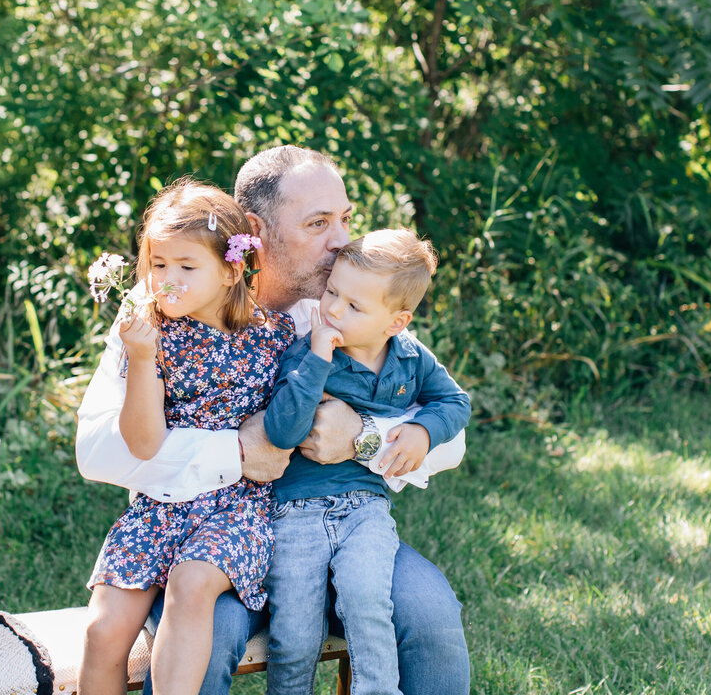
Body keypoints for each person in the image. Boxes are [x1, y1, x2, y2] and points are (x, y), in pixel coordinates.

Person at [76, 145, 470, 695]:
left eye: (345, 219)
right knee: (210, 629)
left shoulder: (344, 300)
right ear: (255, 232)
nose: (341, 241)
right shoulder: (172, 298)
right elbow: (94, 450)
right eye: (318, 223)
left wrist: (363, 438)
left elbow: (450, 433)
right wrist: (239, 451)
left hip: (341, 532)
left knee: (428, 609)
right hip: (213, 537)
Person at [79, 180, 295, 695]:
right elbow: (144, 443)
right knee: (103, 630)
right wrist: (141, 358)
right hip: (161, 503)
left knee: (191, 584)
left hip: (236, 508)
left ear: (231, 269)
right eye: (157, 265)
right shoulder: (152, 334)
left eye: (185, 266)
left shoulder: (275, 335)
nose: (167, 280)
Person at [263, 229, 471, 694]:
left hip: (365, 509)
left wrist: (422, 430)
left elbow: (455, 403)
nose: (333, 310)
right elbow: (282, 431)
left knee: (367, 604)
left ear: (396, 323)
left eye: (354, 306)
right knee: (295, 636)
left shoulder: (412, 358)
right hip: (295, 511)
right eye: (332, 292)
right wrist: (316, 359)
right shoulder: (305, 353)